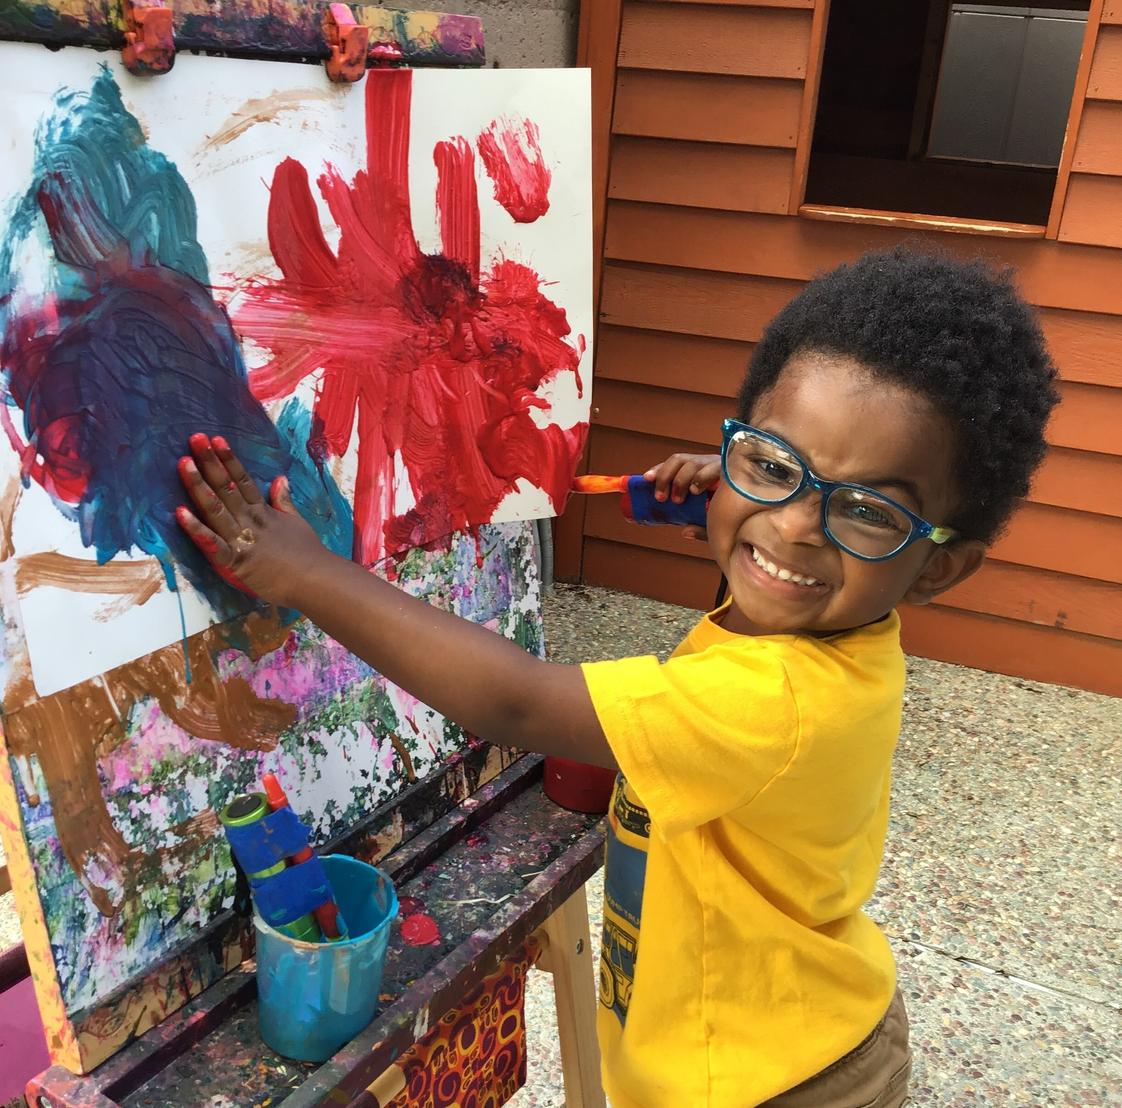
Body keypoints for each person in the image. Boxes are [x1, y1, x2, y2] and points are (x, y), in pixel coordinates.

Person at [176, 248, 1058, 1107]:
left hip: (771, 1083)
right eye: (773, 465)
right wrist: (737, 508)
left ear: (942, 568)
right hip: (785, 1027)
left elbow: (516, 700)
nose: (793, 527)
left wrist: (306, 573)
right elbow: (796, 558)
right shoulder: (836, 625)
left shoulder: (776, 701)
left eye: (866, 509)